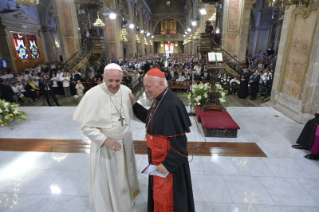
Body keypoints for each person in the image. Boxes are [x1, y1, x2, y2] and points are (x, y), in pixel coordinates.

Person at [73, 63, 139, 212]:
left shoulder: (126, 91)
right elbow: (86, 126)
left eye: (117, 81)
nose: (114, 85)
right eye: (110, 81)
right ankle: (110, 206)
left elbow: (132, 113)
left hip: (126, 143)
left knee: (126, 174)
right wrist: (105, 140)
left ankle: (127, 203)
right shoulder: (92, 94)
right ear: (103, 77)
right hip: (107, 147)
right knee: (110, 179)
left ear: (122, 78)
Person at [129, 68, 195, 212]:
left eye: (148, 86)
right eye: (145, 86)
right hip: (158, 160)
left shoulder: (172, 105)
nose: (145, 90)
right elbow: (150, 118)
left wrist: (167, 164)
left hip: (169, 166)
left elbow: (180, 144)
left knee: (169, 197)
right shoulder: (160, 98)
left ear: (160, 84)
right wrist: (134, 104)